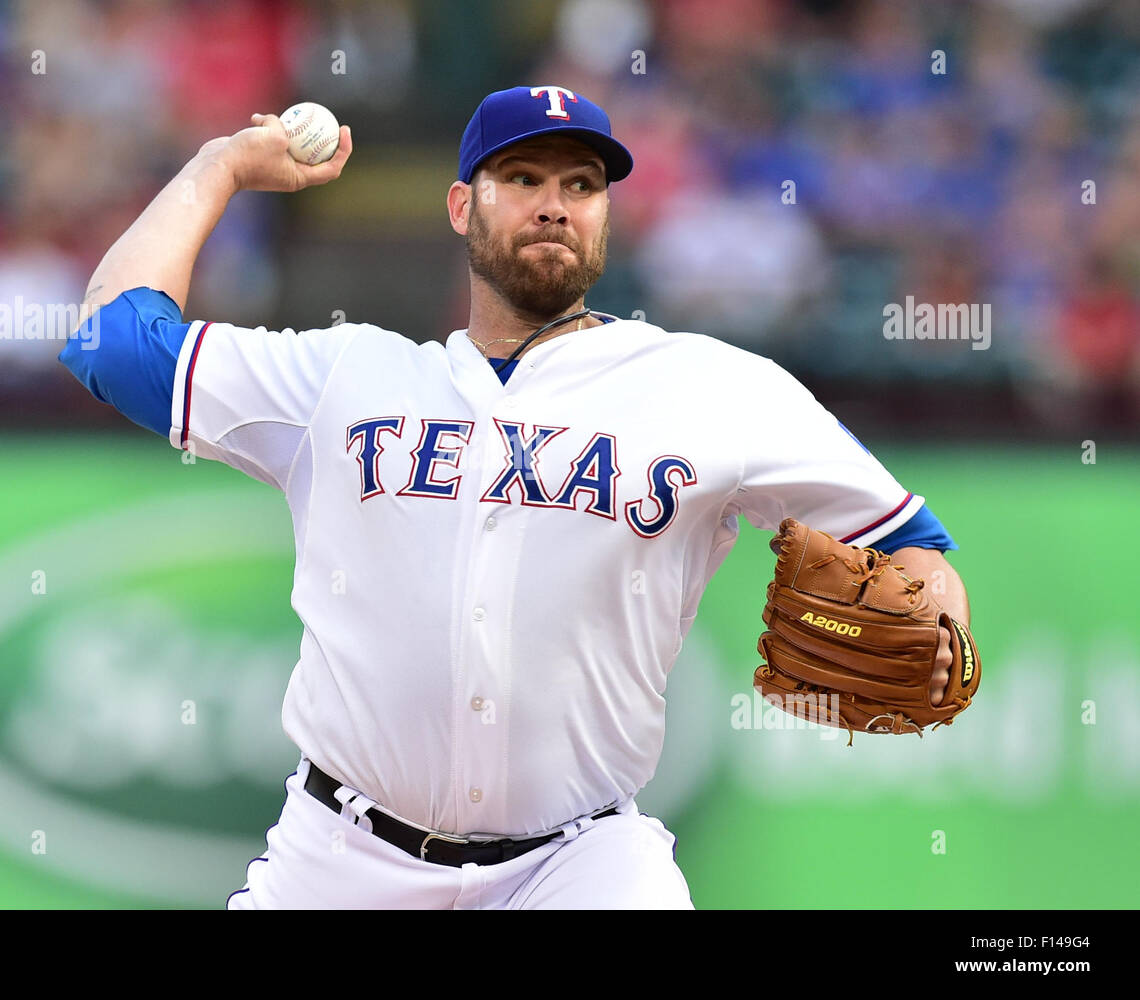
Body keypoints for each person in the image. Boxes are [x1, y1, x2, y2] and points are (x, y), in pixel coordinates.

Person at [59, 85, 967, 909]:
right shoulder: (345, 376)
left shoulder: (709, 387)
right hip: (341, 859)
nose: (553, 203)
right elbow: (112, 340)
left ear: (606, 217)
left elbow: (911, 539)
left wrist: (937, 618)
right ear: (462, 206)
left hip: (582, 865)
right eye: (522, 176)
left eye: (582, 184)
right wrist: (219, 165)